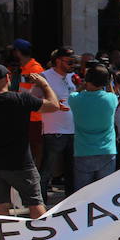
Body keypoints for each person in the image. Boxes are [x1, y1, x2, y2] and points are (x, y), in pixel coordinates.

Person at [0, 65, 60, 218]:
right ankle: (45, 238)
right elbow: (54, 105)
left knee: (0, 206)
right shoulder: (21, 99)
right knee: (35, 204)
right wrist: (45, 84)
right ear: (7, 78)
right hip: (21, 163)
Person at [35, 47, 78, 204]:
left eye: (74, 62)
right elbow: (35, 101)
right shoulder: (44, 77)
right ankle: (40, 204)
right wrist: (54, 105)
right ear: (58, 60)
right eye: (69, 62)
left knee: (72, 170)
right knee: (47, 170)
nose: (73, 65)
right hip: (54, 130)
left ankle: (71, 203)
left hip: (73, 129)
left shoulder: (73, 77)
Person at [68, 65, 118, 191]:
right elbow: (113, 94)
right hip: (107, 150)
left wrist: (84, 84)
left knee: (82, 193)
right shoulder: (111, 99)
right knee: (105, 191)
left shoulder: (75, 99)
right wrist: (109, 82)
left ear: (87, 79)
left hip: (83, 151)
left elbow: (75, 93)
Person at [11, 39, 44, 165]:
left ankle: (37, 176)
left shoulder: (35, 68)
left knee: (36, 147)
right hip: (25, 114)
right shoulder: (22, 68)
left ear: (18, 52)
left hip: (35, 116)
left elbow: (39, 90)